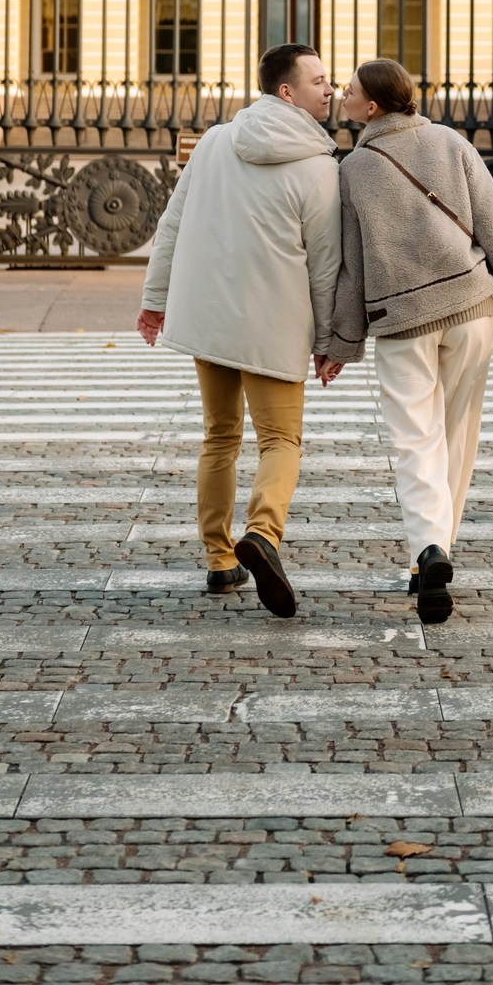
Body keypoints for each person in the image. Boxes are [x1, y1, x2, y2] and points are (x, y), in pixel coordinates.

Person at [323, 58, 493, 624]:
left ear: (372, 107)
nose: (342, 99)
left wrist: (342, 343)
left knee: (414, 439)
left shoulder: (354, 169)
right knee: (457, 434)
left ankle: (429, 549)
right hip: (469, 309)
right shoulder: (450, 142)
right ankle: (439, 550)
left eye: (348, 93)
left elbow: (353, 266)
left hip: (401, 322)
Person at [137, 44, 341, 618]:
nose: (329, 88)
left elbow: (171, 223)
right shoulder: (322, 167)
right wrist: (327, 340)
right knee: (281, 441)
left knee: (219, 436)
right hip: (274, 322)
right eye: (319, 80)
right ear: (286, 91)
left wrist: (155, 301)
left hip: (209, 315)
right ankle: (264, 534)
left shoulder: (215, 141)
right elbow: (324, 266)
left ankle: (220, 558)